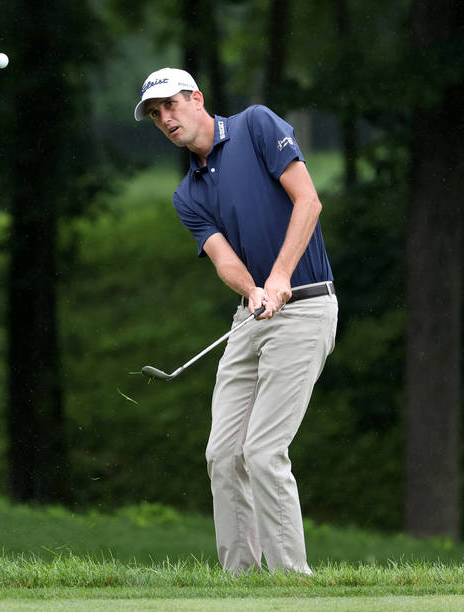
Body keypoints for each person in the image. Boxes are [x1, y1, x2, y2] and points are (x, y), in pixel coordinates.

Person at [134, 68, 338, 574]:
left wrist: (281, 276)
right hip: (253, 315)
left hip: (307, 305)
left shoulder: (256, 126)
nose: (166, 119)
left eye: (171, 105)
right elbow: (225, 259)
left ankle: (292, 581)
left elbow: (308, 201)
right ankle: (240, 582)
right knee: (223, 455)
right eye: (156, 114)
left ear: (196, 99)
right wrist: (252, 291)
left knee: (264, 451)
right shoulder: (188, 194)